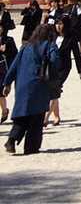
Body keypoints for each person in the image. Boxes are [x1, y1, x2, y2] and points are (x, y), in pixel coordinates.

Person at [3, 22, 62, 154]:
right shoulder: (49, 45)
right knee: (36, 117)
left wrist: (7, 83)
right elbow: (55, 60)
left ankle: (11, 140)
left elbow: (14, 65)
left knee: (22, 115)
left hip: (22, 85)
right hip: (39, 85)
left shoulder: (26, 47)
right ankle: (31, 147)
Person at [46, 16, 81, 126]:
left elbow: (76, 54)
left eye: (61, 24)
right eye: (57, 23)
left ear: (65, 25)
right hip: (51, 67)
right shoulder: (52, 36)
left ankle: (45, 118)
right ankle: (56, 116)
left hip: (64, 68)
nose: (58, 26)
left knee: (54, 89)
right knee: (53, 91)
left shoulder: (71, 38)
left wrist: (80, 70)